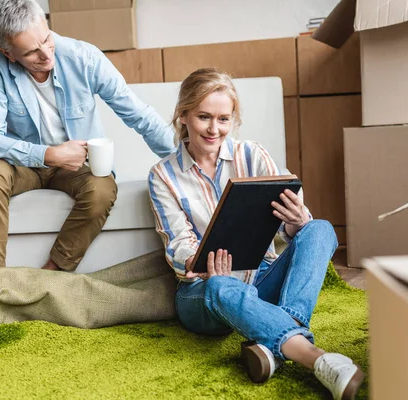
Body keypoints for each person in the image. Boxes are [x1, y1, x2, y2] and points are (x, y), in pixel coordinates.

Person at [148, 67, 364, 400]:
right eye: (204, 117)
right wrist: (201, 262)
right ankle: (316, 359)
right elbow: (179, 251)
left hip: (261, 276)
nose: (214, 129)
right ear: (183, 115)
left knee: (318, 228)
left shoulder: (252, 154)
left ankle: (272, 345)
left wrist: (295, 221)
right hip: (203, 291)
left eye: (224, 119)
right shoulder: (163, 175)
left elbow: (288, 228)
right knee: (222, 284)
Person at [0, 0, 175, 273]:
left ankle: (51, 275)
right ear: (8, 54)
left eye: (47, 39)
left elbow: (138, 114)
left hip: (76, 166)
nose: (46, 54)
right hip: (22, 165)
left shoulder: (84, 57)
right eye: (32, 52)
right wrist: (49, 154)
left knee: (103, 188)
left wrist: (186, 160)